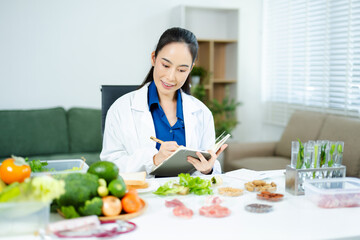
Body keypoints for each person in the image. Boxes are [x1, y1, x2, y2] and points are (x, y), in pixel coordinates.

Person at [100, 27, 227, 176]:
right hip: (142, 197)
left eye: (181, 70)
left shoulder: (202, 112)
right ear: (154, 58)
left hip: (189, 197)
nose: (171, 77)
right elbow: (109, 166)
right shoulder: (121, 109)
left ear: (190, 69)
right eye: (166, 65)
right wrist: (153, 159)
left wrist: (208, 169)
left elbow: (212, 169)